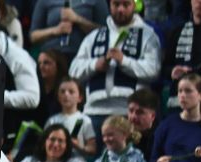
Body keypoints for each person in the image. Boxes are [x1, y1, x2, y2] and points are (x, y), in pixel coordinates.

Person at [68, 0, 161, 138]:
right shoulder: (94, 36)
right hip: (93, 111)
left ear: (134, 5)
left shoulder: (148, 35)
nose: (120, 9)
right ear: (109, 6)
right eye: (116, 5)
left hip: (129, 112)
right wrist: (95, 65)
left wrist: (124, 61)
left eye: (125, 5)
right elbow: (73, 71)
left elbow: (154, 70)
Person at [29, 0, 108, 58]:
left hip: (83, 55)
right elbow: (33, 36)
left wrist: (77, 19)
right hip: (52, 56)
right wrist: (55, 30)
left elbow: (106, 32)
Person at [46, 77, 97, 158]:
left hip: (77, 160)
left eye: (71, 92)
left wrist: (79, 146)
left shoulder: (83, 120)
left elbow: (92, 148)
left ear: (80, 98)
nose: (66, 95)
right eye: (62, 91)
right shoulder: (52, 120)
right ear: (58, 97)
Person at [127, 88, 159, 162]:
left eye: (140, 112)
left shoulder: (160, 138)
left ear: (152, 116)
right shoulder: (121, 134)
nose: (133, 117)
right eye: (131, 111)